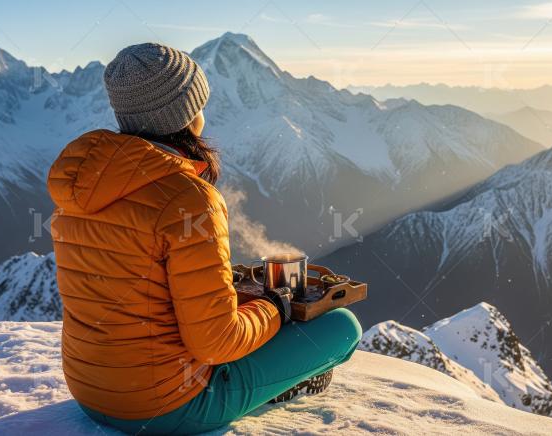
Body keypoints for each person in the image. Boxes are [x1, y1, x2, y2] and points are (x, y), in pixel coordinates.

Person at [47, 43, 361, 435]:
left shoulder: (78, 188)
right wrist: (276, 306)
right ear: (186, 114)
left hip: (91, 393)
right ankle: (277, 386)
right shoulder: (189, 199)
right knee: (343, 327)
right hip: (168, 408)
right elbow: (216, 344)